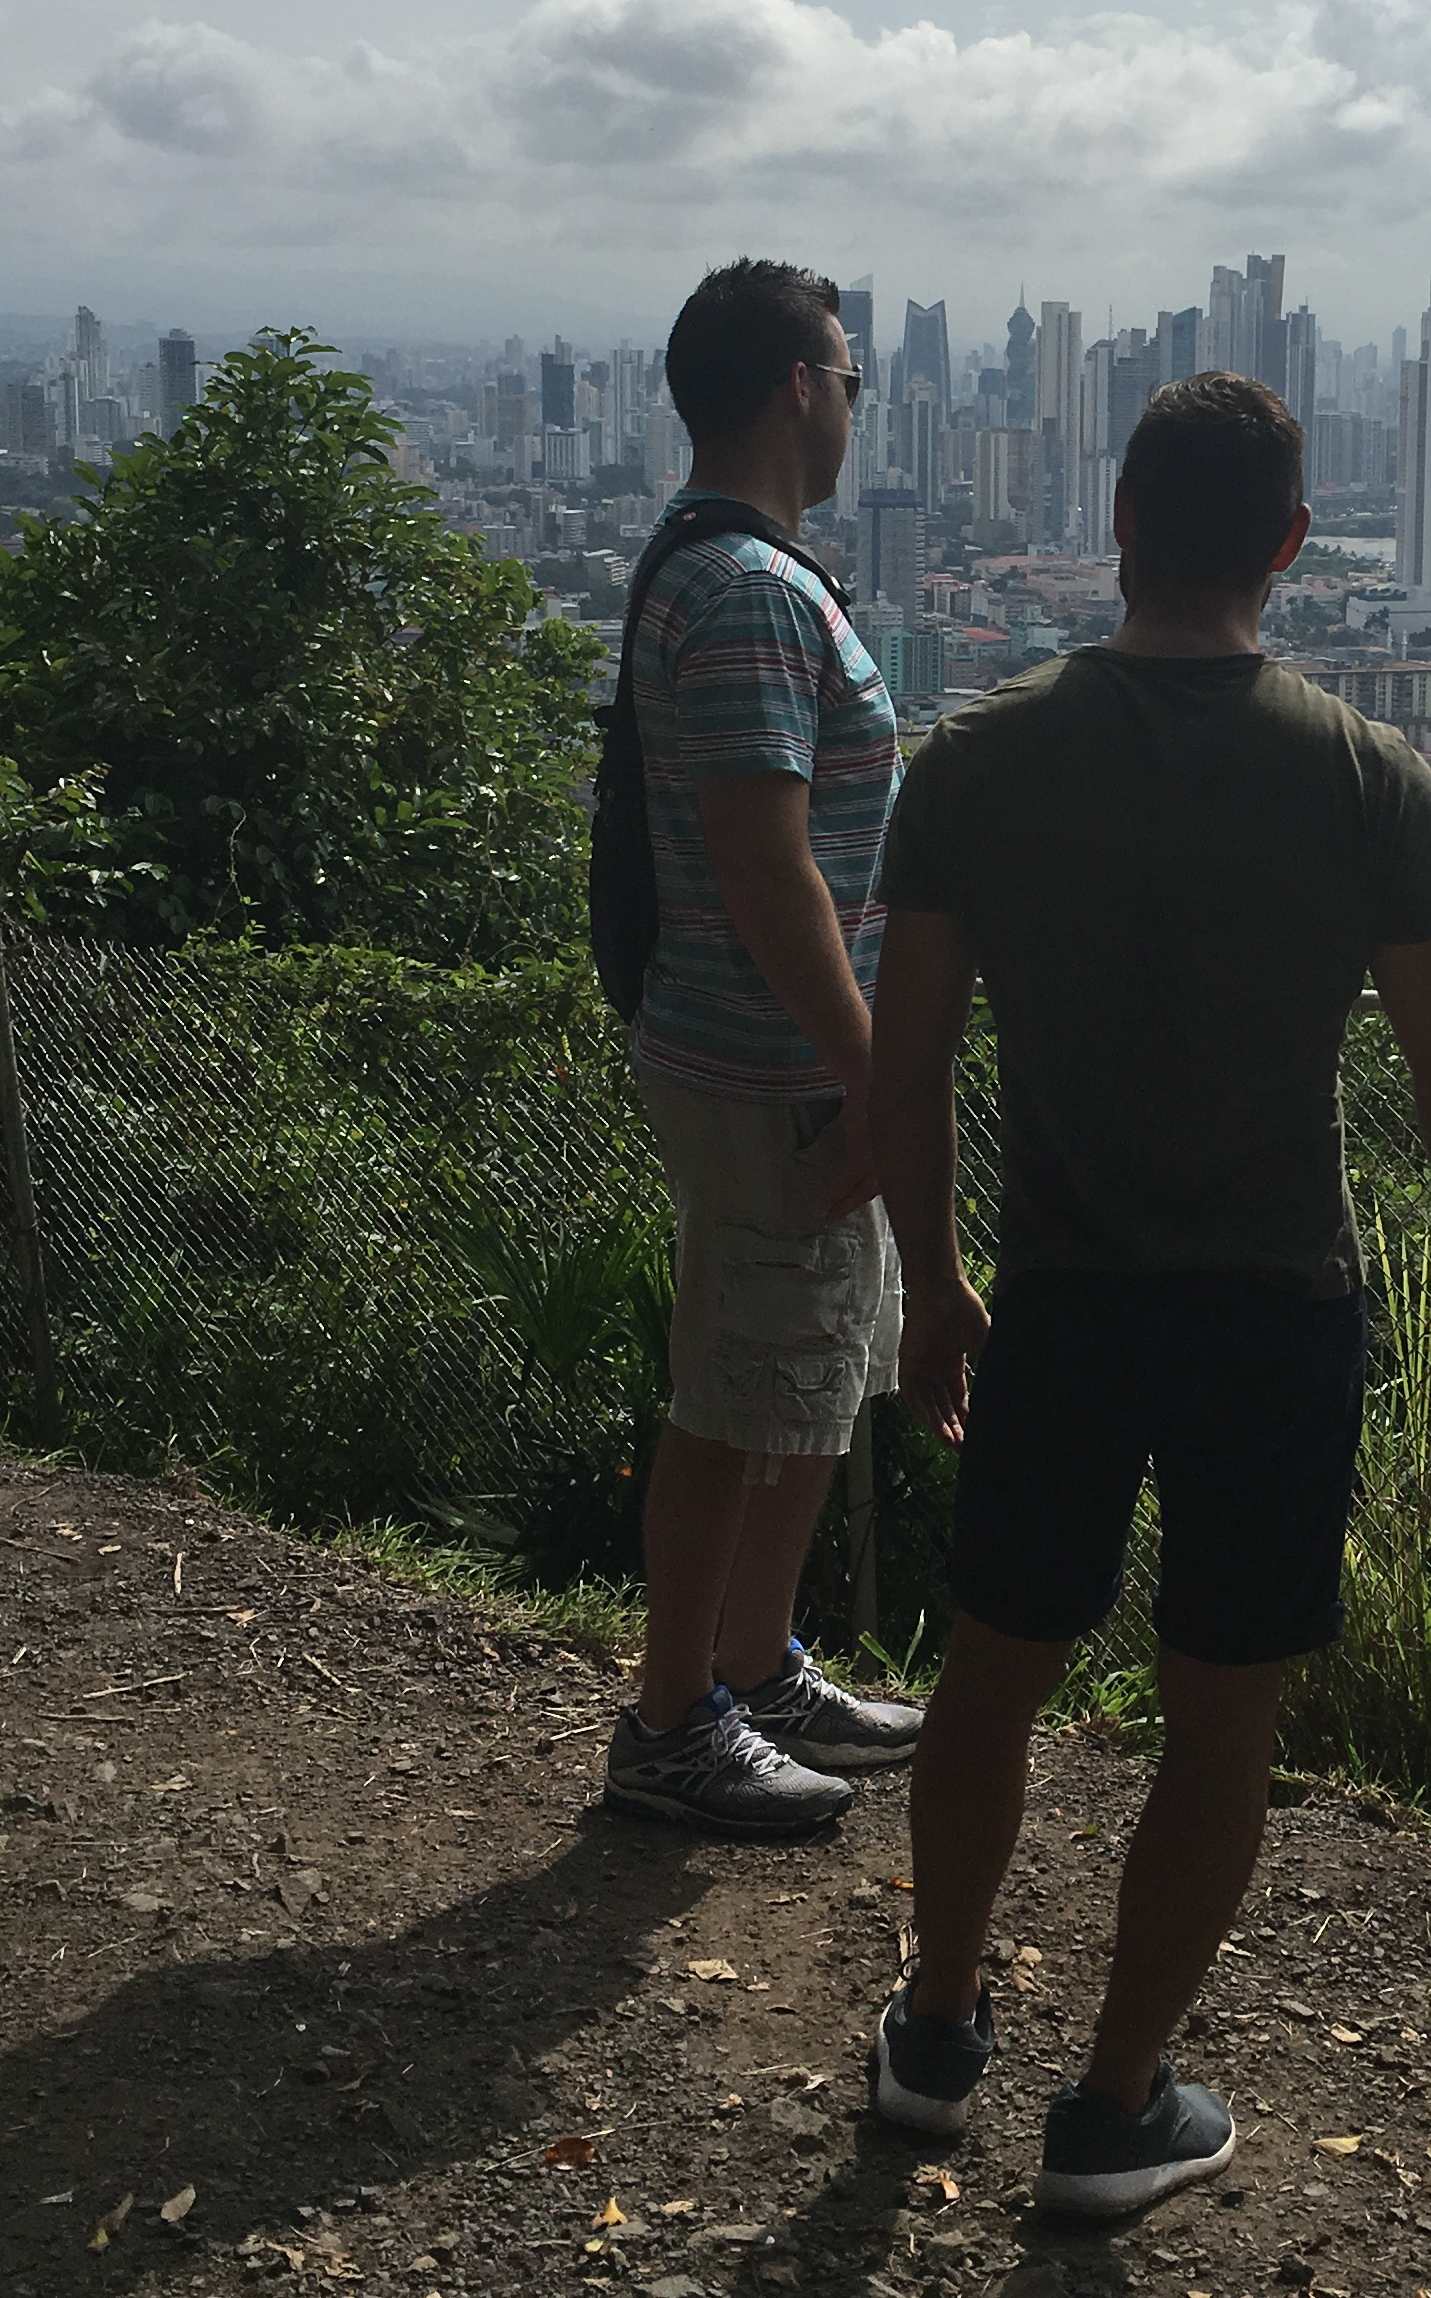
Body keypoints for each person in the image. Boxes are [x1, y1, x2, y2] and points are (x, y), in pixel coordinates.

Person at [860, 371, 1431, 2216]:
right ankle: (1116, 2105)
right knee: (1220, 1720)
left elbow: (901, 1069)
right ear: (1295, 550)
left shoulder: (982, 762)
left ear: (1121, 526)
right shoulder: (1360, 774)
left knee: (994, 1677)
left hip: (1059, 1304)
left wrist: (935, 1281)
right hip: (1274, 1315)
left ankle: (932, 2037)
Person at [600, 259, 924, 1839]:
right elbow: (762, 866)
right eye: (851, 376)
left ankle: (754, 1663)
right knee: (739, 1387)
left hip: (788, 1059)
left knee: (812, 1371)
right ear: (798, 385)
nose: (859, 404)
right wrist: (876, 1071)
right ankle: (670, 1720)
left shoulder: (753, 572)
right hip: (770, 1069)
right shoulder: (739, 590)